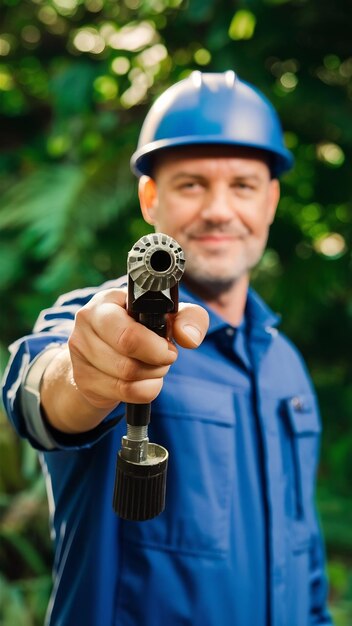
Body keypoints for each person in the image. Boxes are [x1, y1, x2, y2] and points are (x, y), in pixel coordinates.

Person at [2, 71, 332, 626]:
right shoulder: (103, 315)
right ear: (150, 197)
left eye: (243, 186)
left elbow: (306, 567)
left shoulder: (286, 366)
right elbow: (41, 388)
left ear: (272, 200)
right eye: (191, 184)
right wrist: (85, 378)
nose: (219, 210)